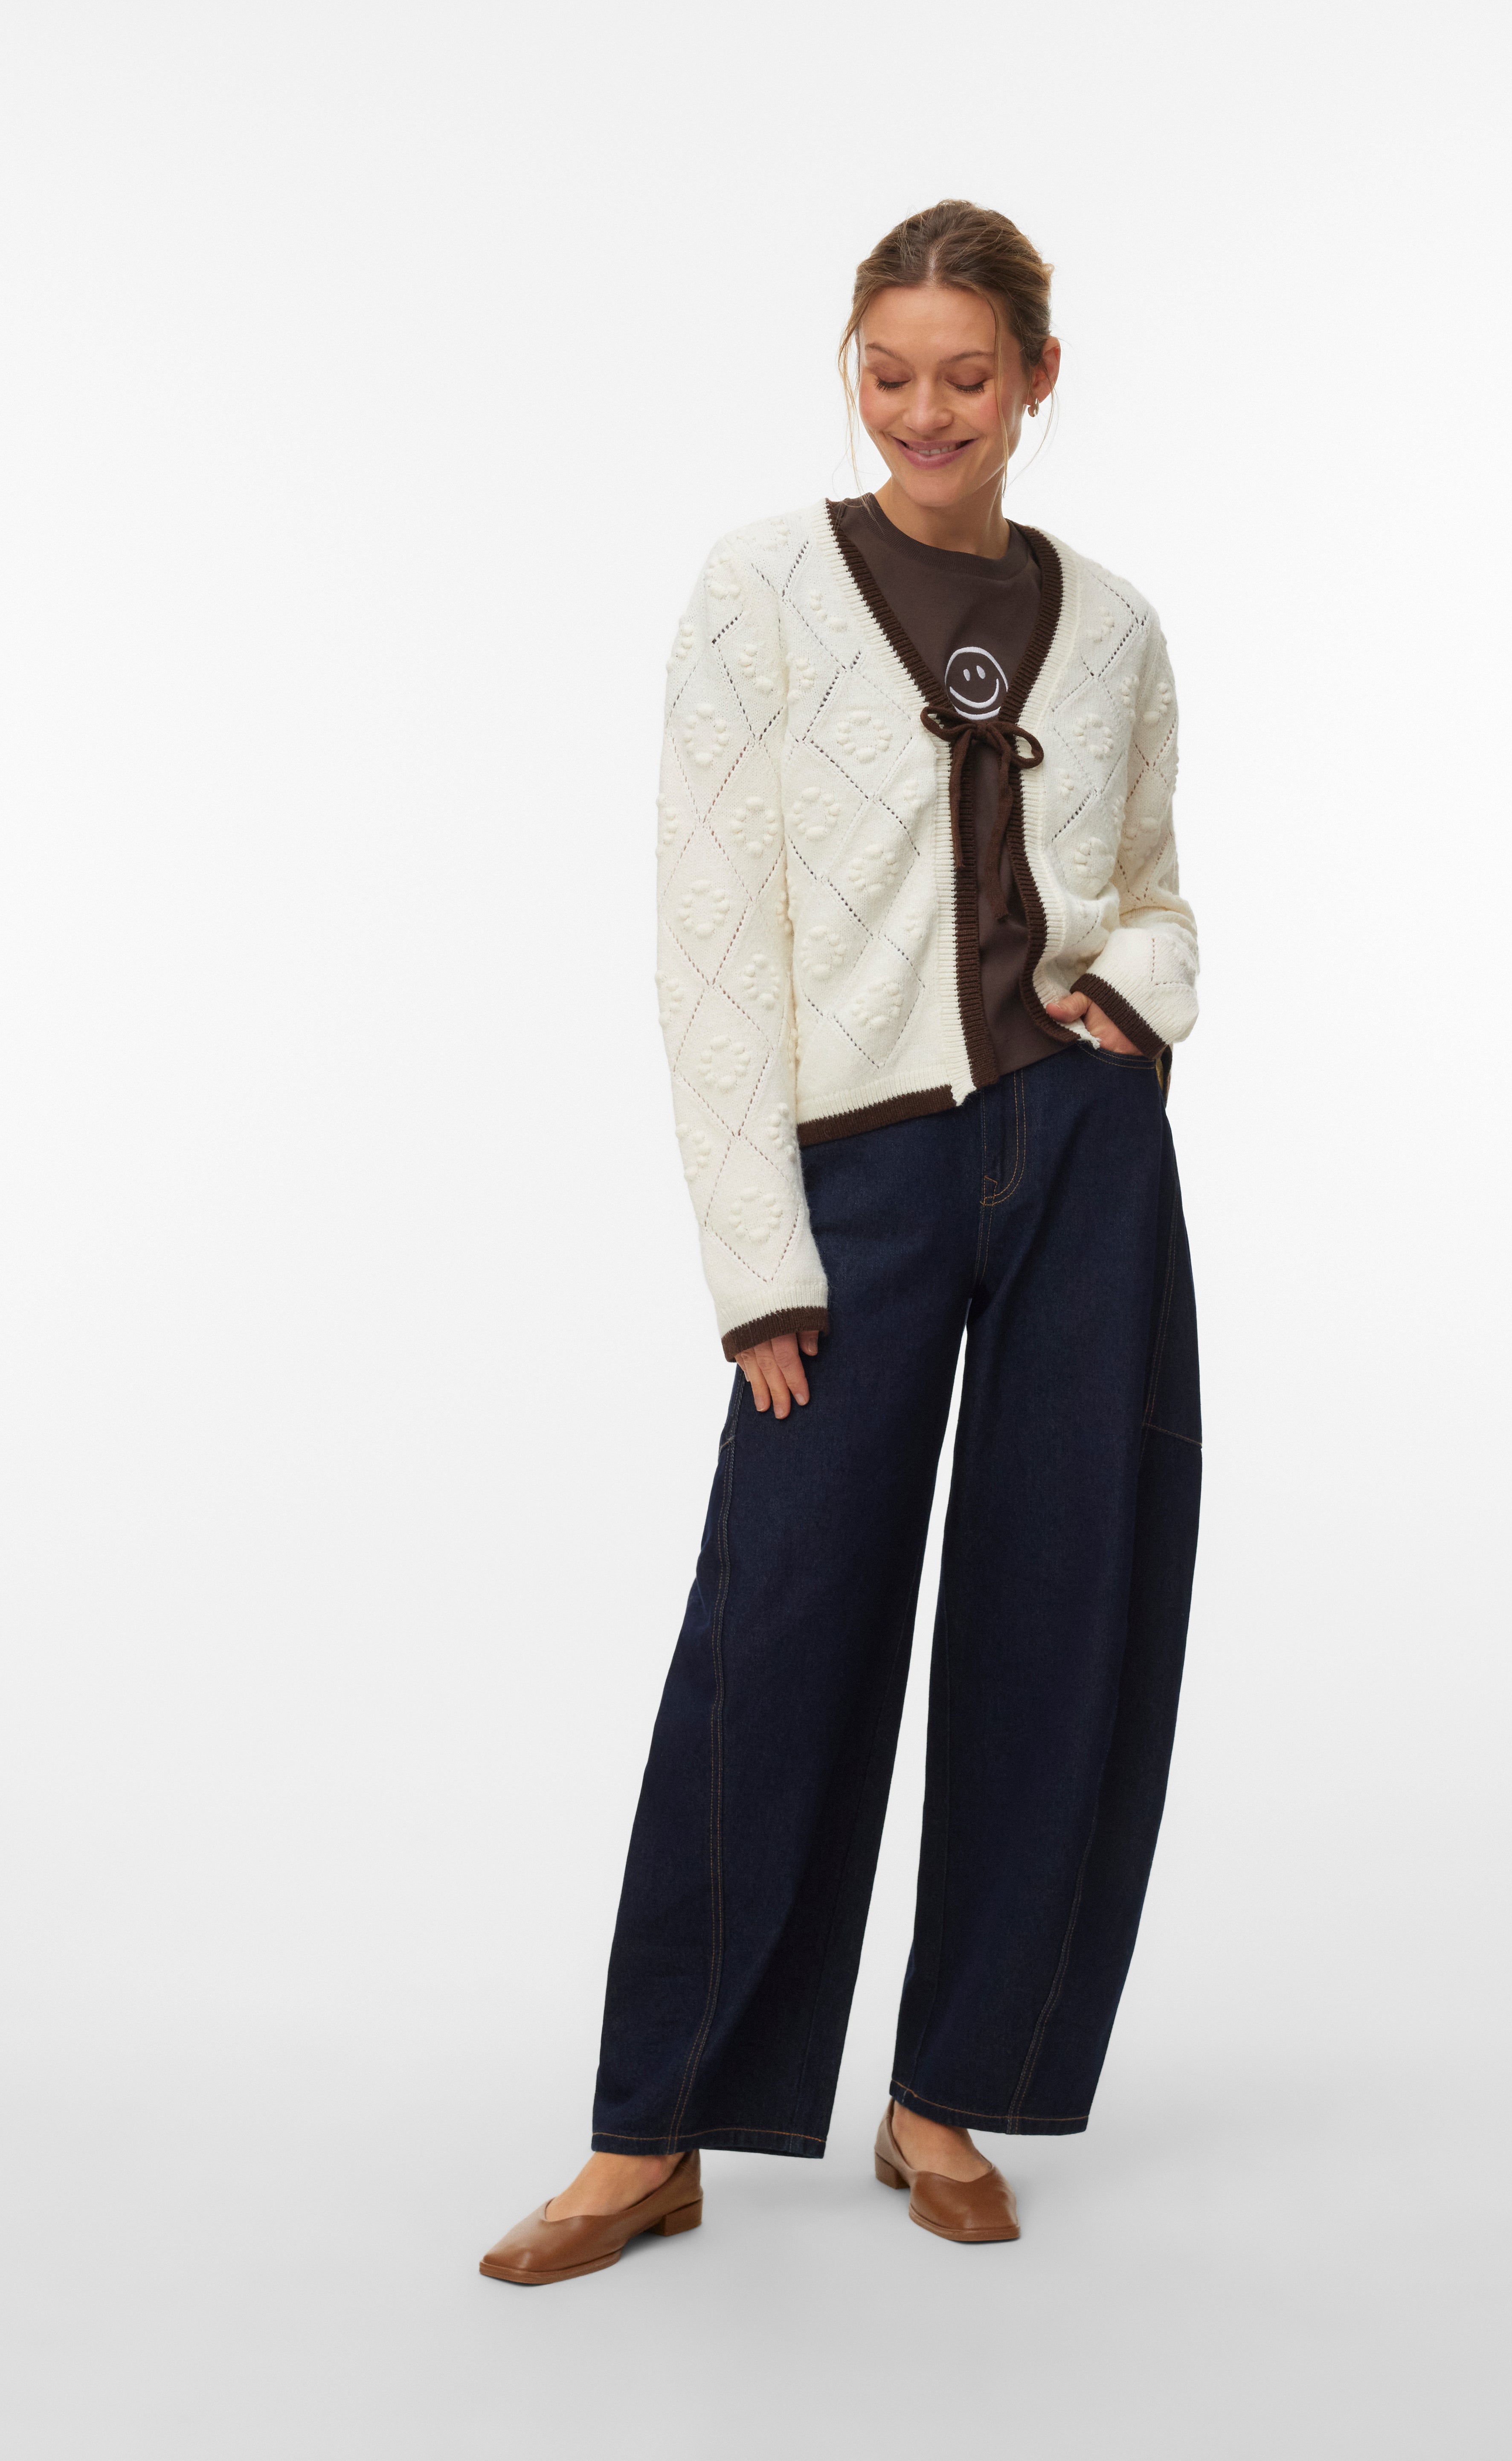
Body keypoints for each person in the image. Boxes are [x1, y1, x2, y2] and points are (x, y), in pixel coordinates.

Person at [480, 199, 1202, 2283]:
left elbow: (1156, 884)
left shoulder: (1115, 625)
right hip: (853, 1181)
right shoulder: (760, 593)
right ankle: (652, 2132)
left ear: (1036, 380)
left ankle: (945, 2093)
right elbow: (709, 940)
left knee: (1064, 1613)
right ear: (850, 373)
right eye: (888, 374)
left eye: (966, 376)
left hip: (1079, 1152)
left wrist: (1131, 1000)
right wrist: (756, 1266)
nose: (924, 411)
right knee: (774, 1628)